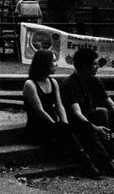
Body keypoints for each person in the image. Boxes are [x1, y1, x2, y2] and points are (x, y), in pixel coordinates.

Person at [23, 48, 104, 178]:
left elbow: (60, 106)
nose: (56, 64)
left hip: (54, 124)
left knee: (76, 126)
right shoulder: (30, 84)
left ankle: (99, 163)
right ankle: (88, 166)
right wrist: (56, 125)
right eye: (53, 61)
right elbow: (39, 111)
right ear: (44, 64)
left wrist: (64, 123)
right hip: (38, 126)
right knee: (65, 131)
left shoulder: (53, 82)